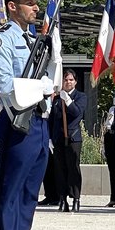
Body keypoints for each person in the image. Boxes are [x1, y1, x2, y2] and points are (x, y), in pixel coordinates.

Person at [0, 0, 59, 230]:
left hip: (39, 122)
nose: (36, 7)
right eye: (29, 3)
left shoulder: (33, 41)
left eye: (36, 2)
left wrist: (47, 87)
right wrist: (41, 86)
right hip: (18, 121)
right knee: (11, 191)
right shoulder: (1, 40)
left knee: (29, 193)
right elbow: (4, 85)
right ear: (12, 6)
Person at [48, 69, 87, 211]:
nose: (68, 82)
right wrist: (50, 137)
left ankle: (76, 198)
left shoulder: (81, 97)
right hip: (58, 138)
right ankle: (62, 199)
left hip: (73, 137)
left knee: (73, 168)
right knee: (60, 169)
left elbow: (77, 113)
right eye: (66, 80)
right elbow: (53, 119)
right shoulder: (57, 99)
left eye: (71, 80)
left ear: (75, 82)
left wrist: (68, 100)